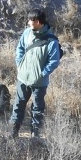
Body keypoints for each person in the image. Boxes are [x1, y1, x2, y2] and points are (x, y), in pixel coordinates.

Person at [10, 8, 62, 138]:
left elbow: (54, 61)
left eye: (30, 20)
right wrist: (19, 64)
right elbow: (20, 48)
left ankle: (35, 134)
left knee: (37, 109)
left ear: (38, 22)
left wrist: (42, 74)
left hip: (39, 82)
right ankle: (14, 131)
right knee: (18, 105)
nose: (28, 23)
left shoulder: (51, 41)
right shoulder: (27, 33)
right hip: (23, 78)